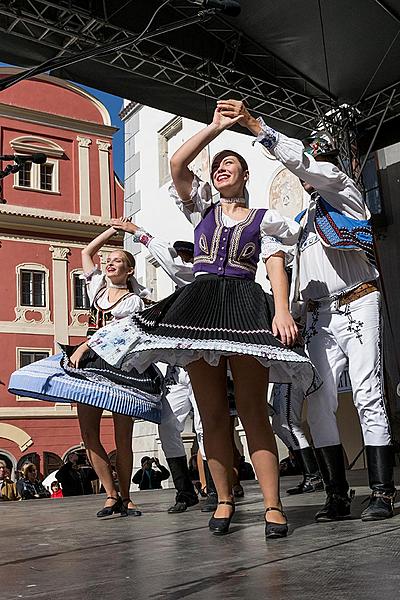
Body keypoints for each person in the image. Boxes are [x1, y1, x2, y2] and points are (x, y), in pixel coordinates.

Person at [88, 105, 320, 539]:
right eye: (215, 167)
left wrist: (283, 309)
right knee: (211, 414)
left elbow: (274, 264)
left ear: (245, 174)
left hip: (244, 306)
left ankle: (273, 504)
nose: (219, 170)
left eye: (228, 163)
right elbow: (177, 163)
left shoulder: (263, 219)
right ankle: (225, 499)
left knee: (252, 411)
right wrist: (215, 128)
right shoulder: (202, 211)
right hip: (200, 306)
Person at [230, 98, 397, 521]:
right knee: (318, 400)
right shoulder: (303, 221)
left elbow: (307, 165)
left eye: (319, 159)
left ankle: (381, 490)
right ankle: (337, 494)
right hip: (320, 316)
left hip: (359, 302)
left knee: (367, 391)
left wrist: (257, 126)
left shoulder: (344, 192)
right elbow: (278, 249)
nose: (311, 169)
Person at [9, 223, 164, 518]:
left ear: (129, 270)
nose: (109, 262)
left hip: (120, 367)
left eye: (117, 260)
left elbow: (120, 335)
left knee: (122, 437)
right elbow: (86, 251)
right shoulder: (96, 287)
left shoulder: (133, 302)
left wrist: (85, 346)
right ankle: (110, 493)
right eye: (108, 260)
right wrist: (113, 230)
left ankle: (127, 497)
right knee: (89, 433)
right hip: (89, 363)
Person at [270, 383, 323, 495]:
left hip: (289, 374)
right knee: (278, 426)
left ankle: (314, 476)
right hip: (278, 379)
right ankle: (308, 475)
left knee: (290, 425)